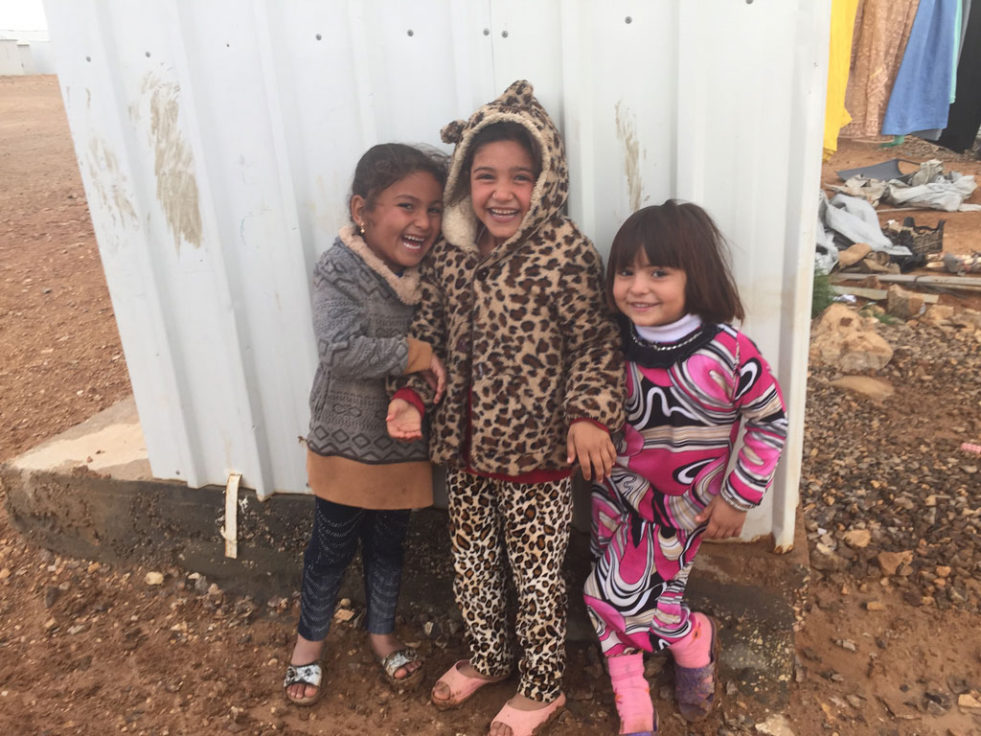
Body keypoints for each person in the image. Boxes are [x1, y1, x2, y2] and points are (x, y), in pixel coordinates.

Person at [386, 80, 625, 736]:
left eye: (520, 177)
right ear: (464, 179)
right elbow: (426, 335)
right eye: (485, 175)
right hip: (463, 456)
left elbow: (597, 343)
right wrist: (412, 393)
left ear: (545, 181)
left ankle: (542, 683)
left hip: (536, 462)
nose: (501, 192)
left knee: (537, 579)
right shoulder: (451, 255)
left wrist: (588, 414)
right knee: (470, 566)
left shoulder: (564, 253)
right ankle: (489, 655)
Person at [583, 201, 789, 734]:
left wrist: (739, 497)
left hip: (687, 505)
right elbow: (582, 396)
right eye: (625, 271)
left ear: (694, 275)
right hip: (615, 492)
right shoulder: (611, 344)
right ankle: (635, 684)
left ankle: (692, 637)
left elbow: (768, 421)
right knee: (614, 589)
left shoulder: (727, 351)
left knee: (623, 594)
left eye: (658, 272)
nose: (637, 287)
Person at [283, 143, 448, 706]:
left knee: (388, 546)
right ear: (362, 210)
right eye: (407, 205)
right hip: (345, 443)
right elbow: (339, 349)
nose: (423, 222)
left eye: (434, 209)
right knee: (329, 547)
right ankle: (307, 646)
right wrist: (417, 354)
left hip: (402, 447)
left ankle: (381, 633)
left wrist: (425, 367)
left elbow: (445, 354)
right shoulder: (341, 267)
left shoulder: (432, 276)